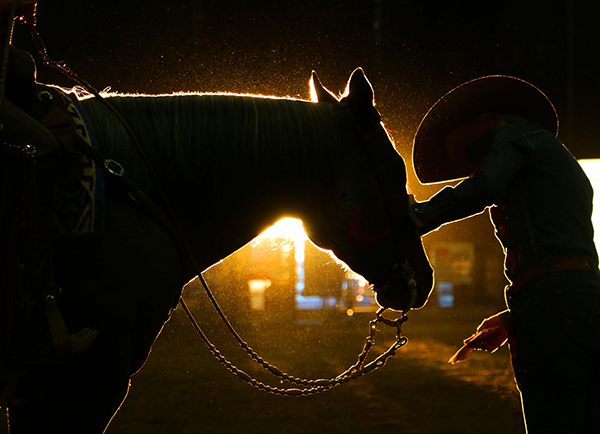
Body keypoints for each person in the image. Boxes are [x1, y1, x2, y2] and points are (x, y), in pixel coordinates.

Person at [408, 75, 600, 433]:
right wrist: (516, 317)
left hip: (551, 307)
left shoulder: (512, 137)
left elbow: (483, 188)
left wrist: (417, 217)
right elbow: (568, 262)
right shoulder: (557, 159)